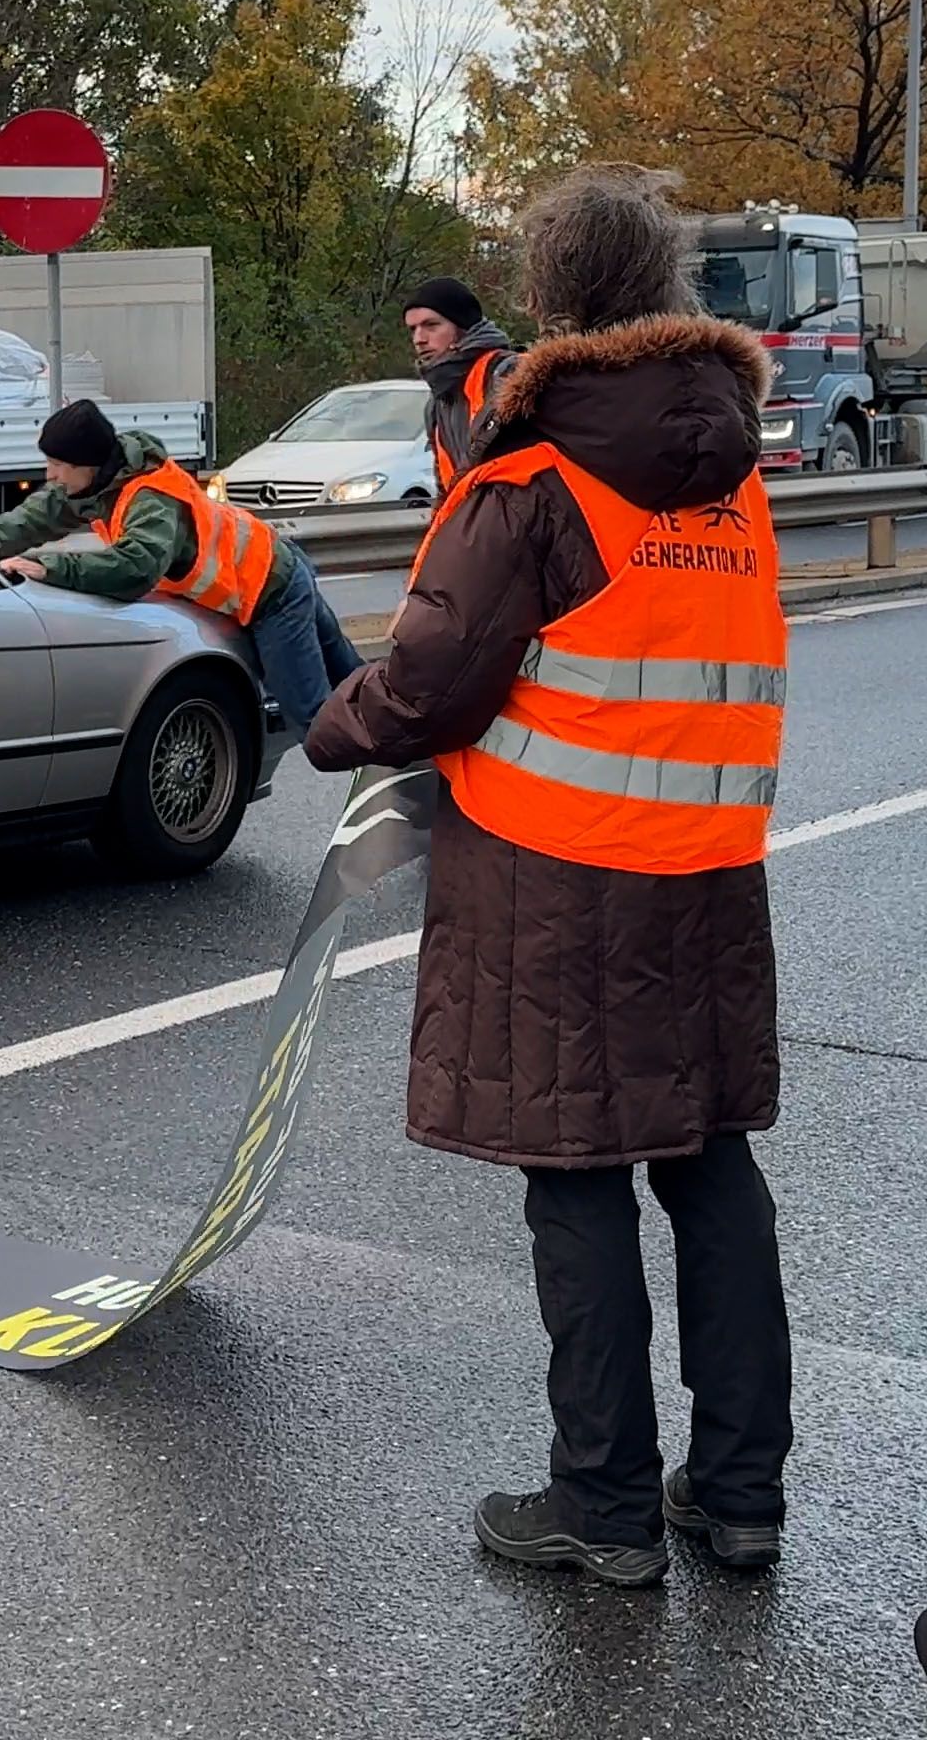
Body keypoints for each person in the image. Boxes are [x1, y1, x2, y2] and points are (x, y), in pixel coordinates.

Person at [305, 163, 793, 1588]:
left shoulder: (527, 482)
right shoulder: (736, 476)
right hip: (708, 875)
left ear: (546, 298)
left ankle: (604, 1506)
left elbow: (431, 685)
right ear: (670, 292)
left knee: (576, 1182)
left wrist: (331, 723)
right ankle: (741, 1494)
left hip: (557, 881)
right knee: (710, 1168)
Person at [0, 398, 364, 748]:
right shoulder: (92, 486)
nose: (50, 475)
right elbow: (27, 523)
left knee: (315, 723)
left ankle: (393, 770)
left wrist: (49, 567)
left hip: (272, 591)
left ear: (88, 464)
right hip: (278, 564)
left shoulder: (151, 498)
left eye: (58, 465)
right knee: (356, 684)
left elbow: (136, 568)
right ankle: (408, 742)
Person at [405, 275, 516, 492]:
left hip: (511, 519)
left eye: (431, 325)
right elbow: (445, 485)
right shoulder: (438, 401)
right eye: (413, 329)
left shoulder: (506, 374)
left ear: (463, 326)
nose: (419, 338)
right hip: (471, 517)